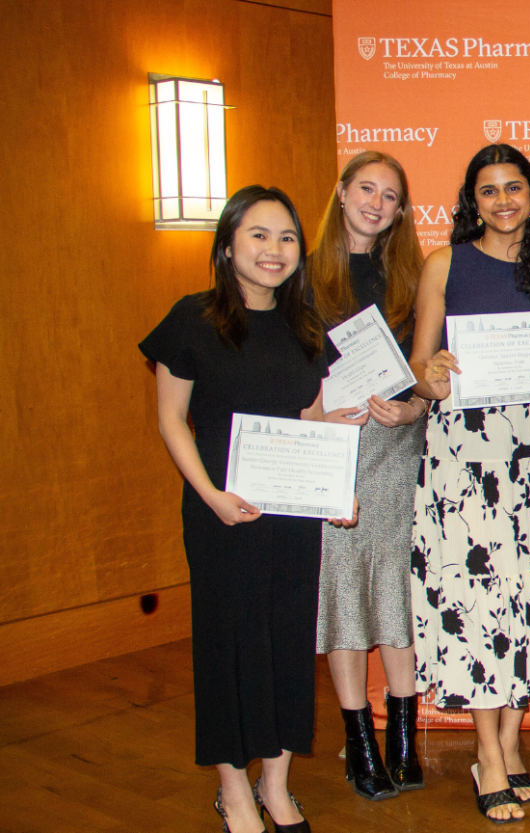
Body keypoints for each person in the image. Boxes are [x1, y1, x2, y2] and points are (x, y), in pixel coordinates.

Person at [140, 185, 364, 833]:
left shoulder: (305, 326)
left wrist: (334, 489)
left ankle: (276, 784)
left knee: (288, 643)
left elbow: (310, 418)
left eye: (287, 237)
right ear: (228, 243)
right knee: (229, 642)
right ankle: (233, 789)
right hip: (221, 514)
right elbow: (171, 419)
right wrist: (210, 494)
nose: (274, 249)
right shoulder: (193, 319)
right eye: (259, 235)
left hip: (292, 517)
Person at [406, 144, 530, 823]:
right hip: (464, 455)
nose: (502, 200)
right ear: (473, 201)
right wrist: (433, 372)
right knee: (481, 597)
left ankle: (511, 739)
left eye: (513, 187)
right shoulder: (445, 263)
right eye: (487, 190)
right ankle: (486, 752)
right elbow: (419, 364)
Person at [306, 151, 429, 801]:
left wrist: (414, 405)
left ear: (402, 210)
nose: (376, 203)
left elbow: (431, 368)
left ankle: (405, 736)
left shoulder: (412, 274)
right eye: (366, 189)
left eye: (390, 195)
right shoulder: (302, 276)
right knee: (344, 593)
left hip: (399, 447)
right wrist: (316, 413)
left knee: (398, 594)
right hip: (334, 446)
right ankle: (359, 742)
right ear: (342, 193)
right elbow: (283, 373)